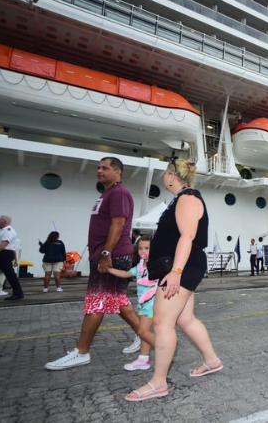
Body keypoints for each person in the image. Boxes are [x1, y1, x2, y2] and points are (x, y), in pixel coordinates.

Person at [124, 156, 222, 402]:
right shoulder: (181, 198)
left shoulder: (188, 198)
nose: (163, 176)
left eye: (165, 172)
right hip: (183, 266)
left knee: (162, 322)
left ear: (171, 174)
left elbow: (187, 236)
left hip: (182, 267)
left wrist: (176, 272)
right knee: (185, 318)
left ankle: (158, 383)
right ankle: (211, 361)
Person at [45, 157, 141, 370]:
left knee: (96, 302)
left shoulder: (119, 193)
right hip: (106, 254)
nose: (99, 171)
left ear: (118, 172)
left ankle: (81, 351)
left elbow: (118, 223)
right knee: (117, 300)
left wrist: (106, 253)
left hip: (112, 255)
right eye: (98, 168)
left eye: (105, 168)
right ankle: (146, 337)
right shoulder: (106, 193)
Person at [103, 237, 158, 371]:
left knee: (142, 331)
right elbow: (127, 273)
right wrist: (110, 270)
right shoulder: (140, 265)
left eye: (146, 248)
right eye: (140, 248)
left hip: (152, 303)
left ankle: (165, 349)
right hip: (143, 304)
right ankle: (143, 359)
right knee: (145, 332)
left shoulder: (156, 265)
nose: (142, 251)